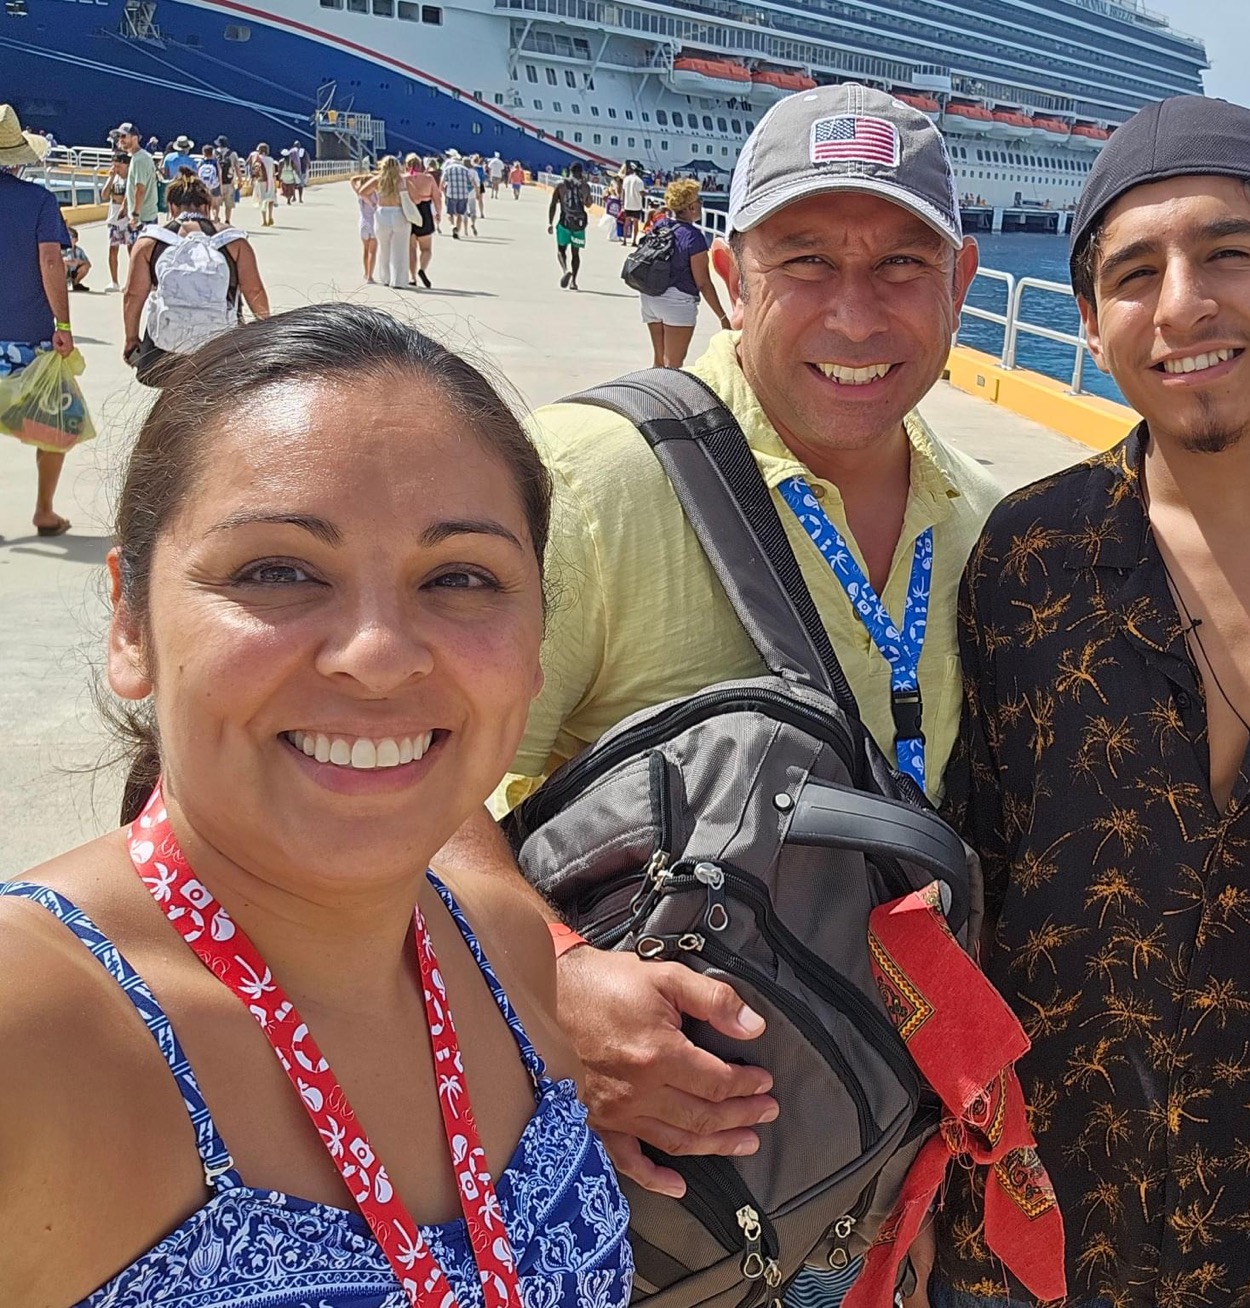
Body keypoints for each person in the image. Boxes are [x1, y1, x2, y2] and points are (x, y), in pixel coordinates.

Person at [433, 90, 996, 1306]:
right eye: (806, 262)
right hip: (632, 1176)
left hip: (860, 1178)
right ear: (732, 275)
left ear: (961, 281)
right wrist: (554, 979)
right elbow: (402, 776)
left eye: (901, 265)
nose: (856, 312)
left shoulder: (982, 527)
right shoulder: (592, 477)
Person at [0, 301, 636, 1304]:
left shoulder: (503, 949)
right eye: (280, 571)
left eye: (461, 577)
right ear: (131, 624)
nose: (378, 656)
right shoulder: (28, 1033)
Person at [934, 96, 1250, 1308]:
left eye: (1227, 253)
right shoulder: (1031, 557)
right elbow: (987, 877)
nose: (1181, 302)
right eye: (1134, 275)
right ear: (1089, 327)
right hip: (1027, 1231)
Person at [0, 104, 75, 536]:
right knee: (53, 424)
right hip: (30, 337)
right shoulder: (38, 201)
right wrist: (62, 326)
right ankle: (44, 510)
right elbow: (51, 262)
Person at [123, 172, 269, 384]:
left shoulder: (149, 243)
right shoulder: (233, 241)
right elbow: (253, 290)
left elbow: (133, 294)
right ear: (207, 207)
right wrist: (266, 329)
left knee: (173, 396)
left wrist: (131, 338)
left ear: (172, 208)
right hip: (221, 343)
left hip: (165, 344)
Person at [638, 176, 727, 367]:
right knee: (673, 364)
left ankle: (651, 396)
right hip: (676, 304)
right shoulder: (694, 238)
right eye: (699, 201)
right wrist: (722, 316)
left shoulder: (661, 225)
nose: (701, 204)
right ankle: (665, 397)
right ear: (692, 208)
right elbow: (703, 283)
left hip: (650, 297)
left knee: (659, 362)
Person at [361, 154, 412, 289]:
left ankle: (385, 278)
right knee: (400, 249)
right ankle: (399, 280)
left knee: (384, 248)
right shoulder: (401, 180)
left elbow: (362, 192)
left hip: (382, 213)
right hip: (398, 213)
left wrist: (372, 203)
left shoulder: (378, 180)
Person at [547, 161, 591, 289]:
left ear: (569, 171)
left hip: (564, 223)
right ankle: (574, 282)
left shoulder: (560, 185)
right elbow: (588, 204)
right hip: (579, 225)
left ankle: (566, 270)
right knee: (575, 253)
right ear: (581, 172)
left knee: (561, 250)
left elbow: (553, 204)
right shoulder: (585, 186)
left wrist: (550, 222)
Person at [404, 153, 440, 287]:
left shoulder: (404, 179)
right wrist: (438, 213)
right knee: (426, 249)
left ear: (406, 165)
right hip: (424, 213)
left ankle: (412, 278)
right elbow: (437, 197)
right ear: (421, 165)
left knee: (411, 249)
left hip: (408, 213)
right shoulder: (429, 179)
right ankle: (422, 269)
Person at [100, 149, 133, 291]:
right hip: (114, 216)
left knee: (132, 250)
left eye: (118, 166)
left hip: (128, 217)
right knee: (113, 249)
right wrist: (111, 178)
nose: (116, 168)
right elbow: (105, 195)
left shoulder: (132, 177)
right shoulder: (115, 178)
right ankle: (114, 281)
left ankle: (132, 280)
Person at [120, 121, 159, 228]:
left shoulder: (139, 160)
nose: (120, 140)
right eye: (119, 137)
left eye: (124, 136)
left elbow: (140, 189)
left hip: (143, 219)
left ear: (135, 138)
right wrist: (125, 206)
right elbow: (133, 187)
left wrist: (135, 215)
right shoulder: (138, 157)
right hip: (144, 217)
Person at [351, 169, 379, 284]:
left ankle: (366, 272)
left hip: (363, 223)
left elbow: (352, 180)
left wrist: (365, 176)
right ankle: (370, 276)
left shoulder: (360, 193)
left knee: (365, 250)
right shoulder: (376, 194)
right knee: (373, 251)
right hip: (374, 223)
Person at [441, 149, 473, 239]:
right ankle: (457, 231)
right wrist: (476, 191)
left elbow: (442, 182)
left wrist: (441, 191)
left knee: (450, 213)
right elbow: (472, 181)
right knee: (460, 214)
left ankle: (452, 226)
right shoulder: (465, 169)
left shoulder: (448, 167)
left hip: (451, 193)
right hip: (463, 194)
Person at [212, 134, 240, 222]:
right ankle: (227, 220)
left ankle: (216, 217)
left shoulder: (214, 153)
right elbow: (237, 168)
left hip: (217, 182)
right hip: (229, 182)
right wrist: (240, 179)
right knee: (229, 204)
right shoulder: (233, 154)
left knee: (215, 203)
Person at [249, 143, 277, 227]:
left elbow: (254, 171)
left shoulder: (258, 159)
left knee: (263, 200)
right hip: (271, 182)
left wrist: (252, 180)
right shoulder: (271, 159)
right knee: (270, 200)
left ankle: (264, 220)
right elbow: (273, 173)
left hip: (261, 182)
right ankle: (270, 217)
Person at [620, 164, 646, 243]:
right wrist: (647, 193)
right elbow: (641, 193)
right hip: (636, 205)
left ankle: (624, 240)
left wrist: (622, 203)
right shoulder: (639, 181)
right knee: (635, 223)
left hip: (627, 204)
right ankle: (634, 241)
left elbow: (623, 192)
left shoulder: (626, 179)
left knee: (626, 223)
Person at [63, 225, 91, 291]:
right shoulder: (63, 249)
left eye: (71, 236)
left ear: (76, 240)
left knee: (85, 266)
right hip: (65, 271)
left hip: (74, 271)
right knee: (63, 266)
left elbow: (89, 264)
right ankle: (63, 284)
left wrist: (79, 262)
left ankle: (75, 283)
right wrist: (70, 263)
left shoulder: (79, 251)